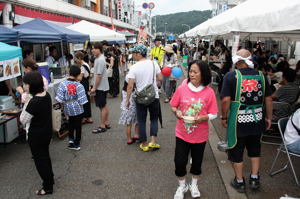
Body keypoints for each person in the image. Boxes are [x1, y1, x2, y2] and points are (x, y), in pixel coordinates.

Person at [220, 49, 273, 193]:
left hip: (238, 121)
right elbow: (268, 98)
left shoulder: (231, 76)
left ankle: (239, 181)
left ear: (237, 61)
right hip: (257, 118)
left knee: (237, 150)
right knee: (255, 150)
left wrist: (224, 117)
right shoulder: (261, 76)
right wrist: (269, 117)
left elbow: (225, 100)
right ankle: (255, 178)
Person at [170, 60, 218, 199]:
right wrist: (176, 112)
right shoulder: (182, 88)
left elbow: (214, 113)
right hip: (182, 133)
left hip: (200, 135)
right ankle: (182, 186)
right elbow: (173, 105)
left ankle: (194, 184)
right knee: (179, 162)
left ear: (203, 74)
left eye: (195, 72)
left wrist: (202, 118)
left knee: (197, 163)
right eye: (190, 71)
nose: (192, 74)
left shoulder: (209, 92)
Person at [20, 71, 54, 196]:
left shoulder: (33, 102)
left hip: (36, 136)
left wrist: (27, 102)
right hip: (46, 133)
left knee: (40, 161)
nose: (24, 86)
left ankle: (47, 187)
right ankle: (50, 179)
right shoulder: (47, 95)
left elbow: (23, 120)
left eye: (25, 84)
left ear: (31, 85)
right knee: (46, 157)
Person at [126, 44, 163, 152]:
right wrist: (155, 84)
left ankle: (144, 144)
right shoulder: (153, 63)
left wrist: (127, 100)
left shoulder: (133, 67)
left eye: (134, 53)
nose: (132, 55)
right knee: (154, 119)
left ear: (138, 54)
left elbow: (130, 86)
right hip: (153, 96)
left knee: (141, 120)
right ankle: (153, 141)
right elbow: (160, 78)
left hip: (140, 98)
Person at [55, 65, 88, 150]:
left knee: (70, 124)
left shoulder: (62, 84)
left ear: (70, 73)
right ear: (77, 75)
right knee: (78, 126)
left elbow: (59, 98)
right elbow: (82, 100)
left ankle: (71, 140)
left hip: (67, 107)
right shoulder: (79, 85)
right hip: (77, 108)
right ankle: (77, 143)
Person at [90, 42, 111, 133]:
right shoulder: (99, 59)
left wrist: (94, 87)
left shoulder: (100, 60)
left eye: (95, 48)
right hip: (103, 86)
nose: (93, 50)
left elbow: (99, 75)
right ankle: (106, 122)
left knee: (102, 106)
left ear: (100, 49)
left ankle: (102, 126)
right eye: (92, 48)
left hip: (100, 87)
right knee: (104, 105)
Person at [119, 76, 139, 144]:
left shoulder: (123, 90)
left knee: (128, 125)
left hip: (126, 109)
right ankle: (136, 135)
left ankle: (129, 139)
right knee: (137, 122)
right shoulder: (135, 90)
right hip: (134, 108)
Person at [74, 51, 93, 124]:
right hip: (86, 83)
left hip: (84, 84)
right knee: (87, 100)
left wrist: (73, 77)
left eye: (76, 58)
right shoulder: (86, 64)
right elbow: (90, 74)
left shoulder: (82, 66)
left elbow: (80, 78)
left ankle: (84, 118)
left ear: (79, 58)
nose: (75, 60)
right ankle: (88, 117)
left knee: (83, 100)